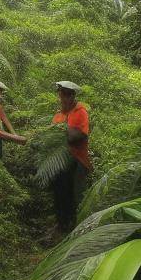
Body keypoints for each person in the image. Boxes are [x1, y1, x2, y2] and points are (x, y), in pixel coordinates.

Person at [51, 81, 91, 232]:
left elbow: (77, 136)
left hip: (77, 161)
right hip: (60, 164)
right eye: (63, 94)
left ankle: (78, 228)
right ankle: (61, 224)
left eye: (69, 94)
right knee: (60, 194)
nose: (65, 98)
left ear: (73, 96)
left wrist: (62, 130)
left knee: (76, 196)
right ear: (60, 96)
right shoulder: (58, 116)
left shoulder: (80, 112)